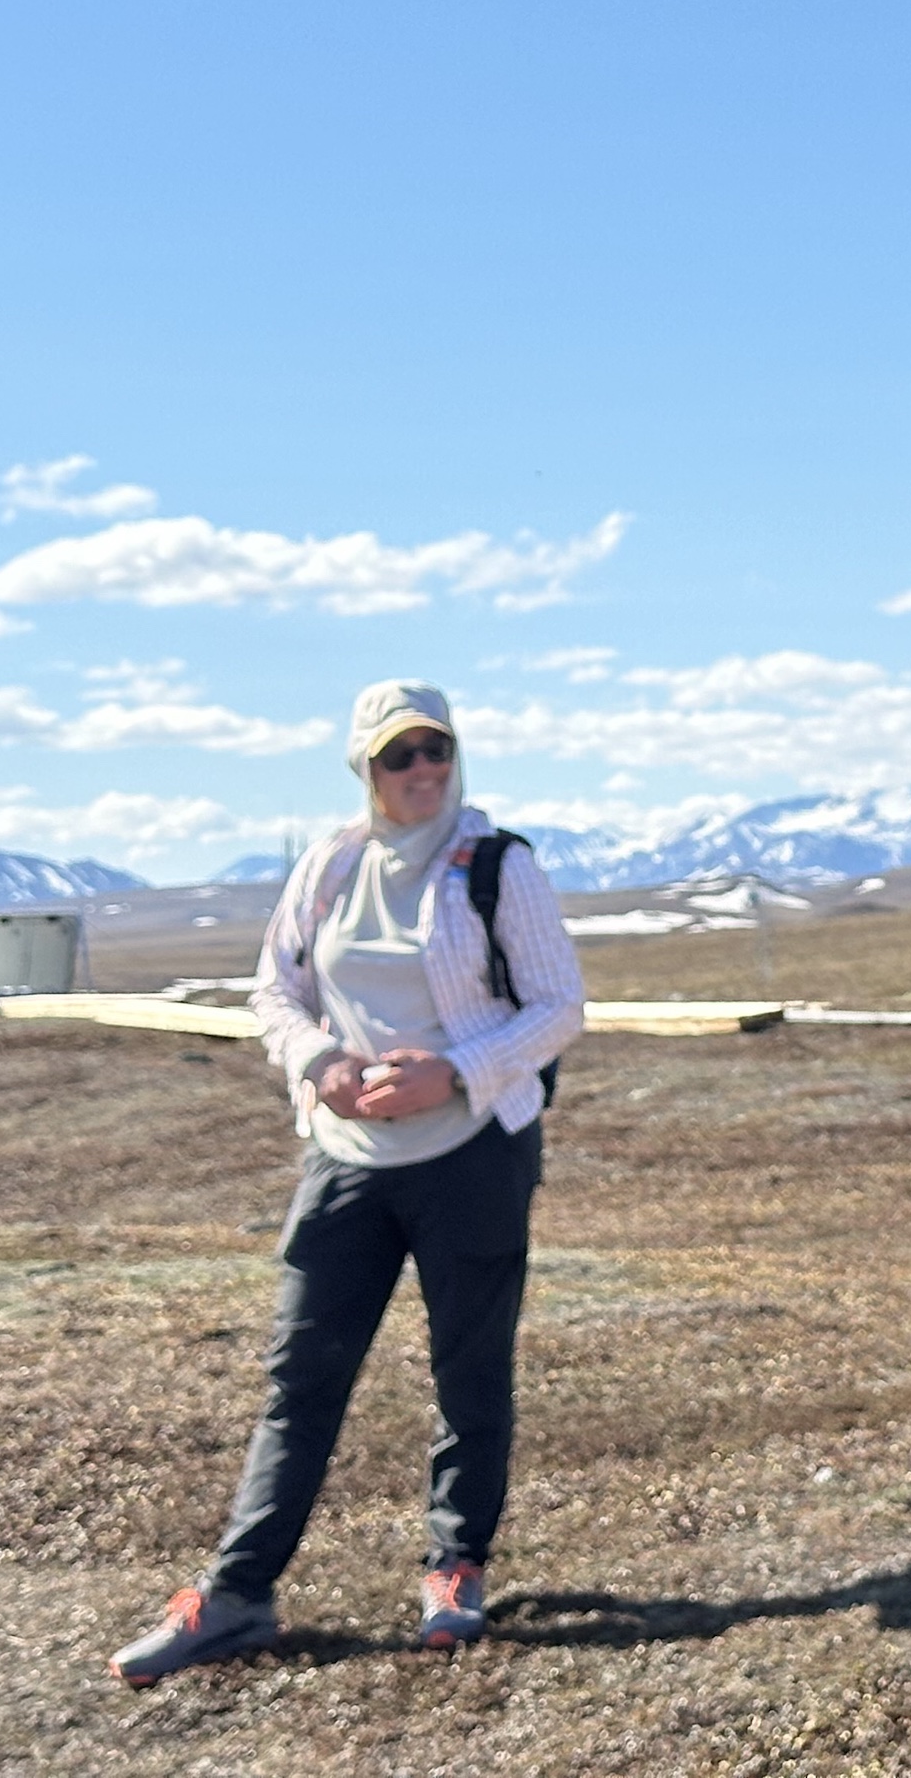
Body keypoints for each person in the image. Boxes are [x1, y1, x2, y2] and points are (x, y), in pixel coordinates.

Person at [111, 680, 582, 1685]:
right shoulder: (329, 863)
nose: (422, 771)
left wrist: (450, 1071)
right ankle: (236, 1593)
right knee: (303, 1376)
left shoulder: (498, 867)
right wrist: (319, 1061)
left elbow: (557, 1007)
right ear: (363, 769)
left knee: (468, 1369)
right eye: (398, 755)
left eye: (436, 750)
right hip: (349, 1160)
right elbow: (275, 988)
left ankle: (455, 1568)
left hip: (470, 1156)